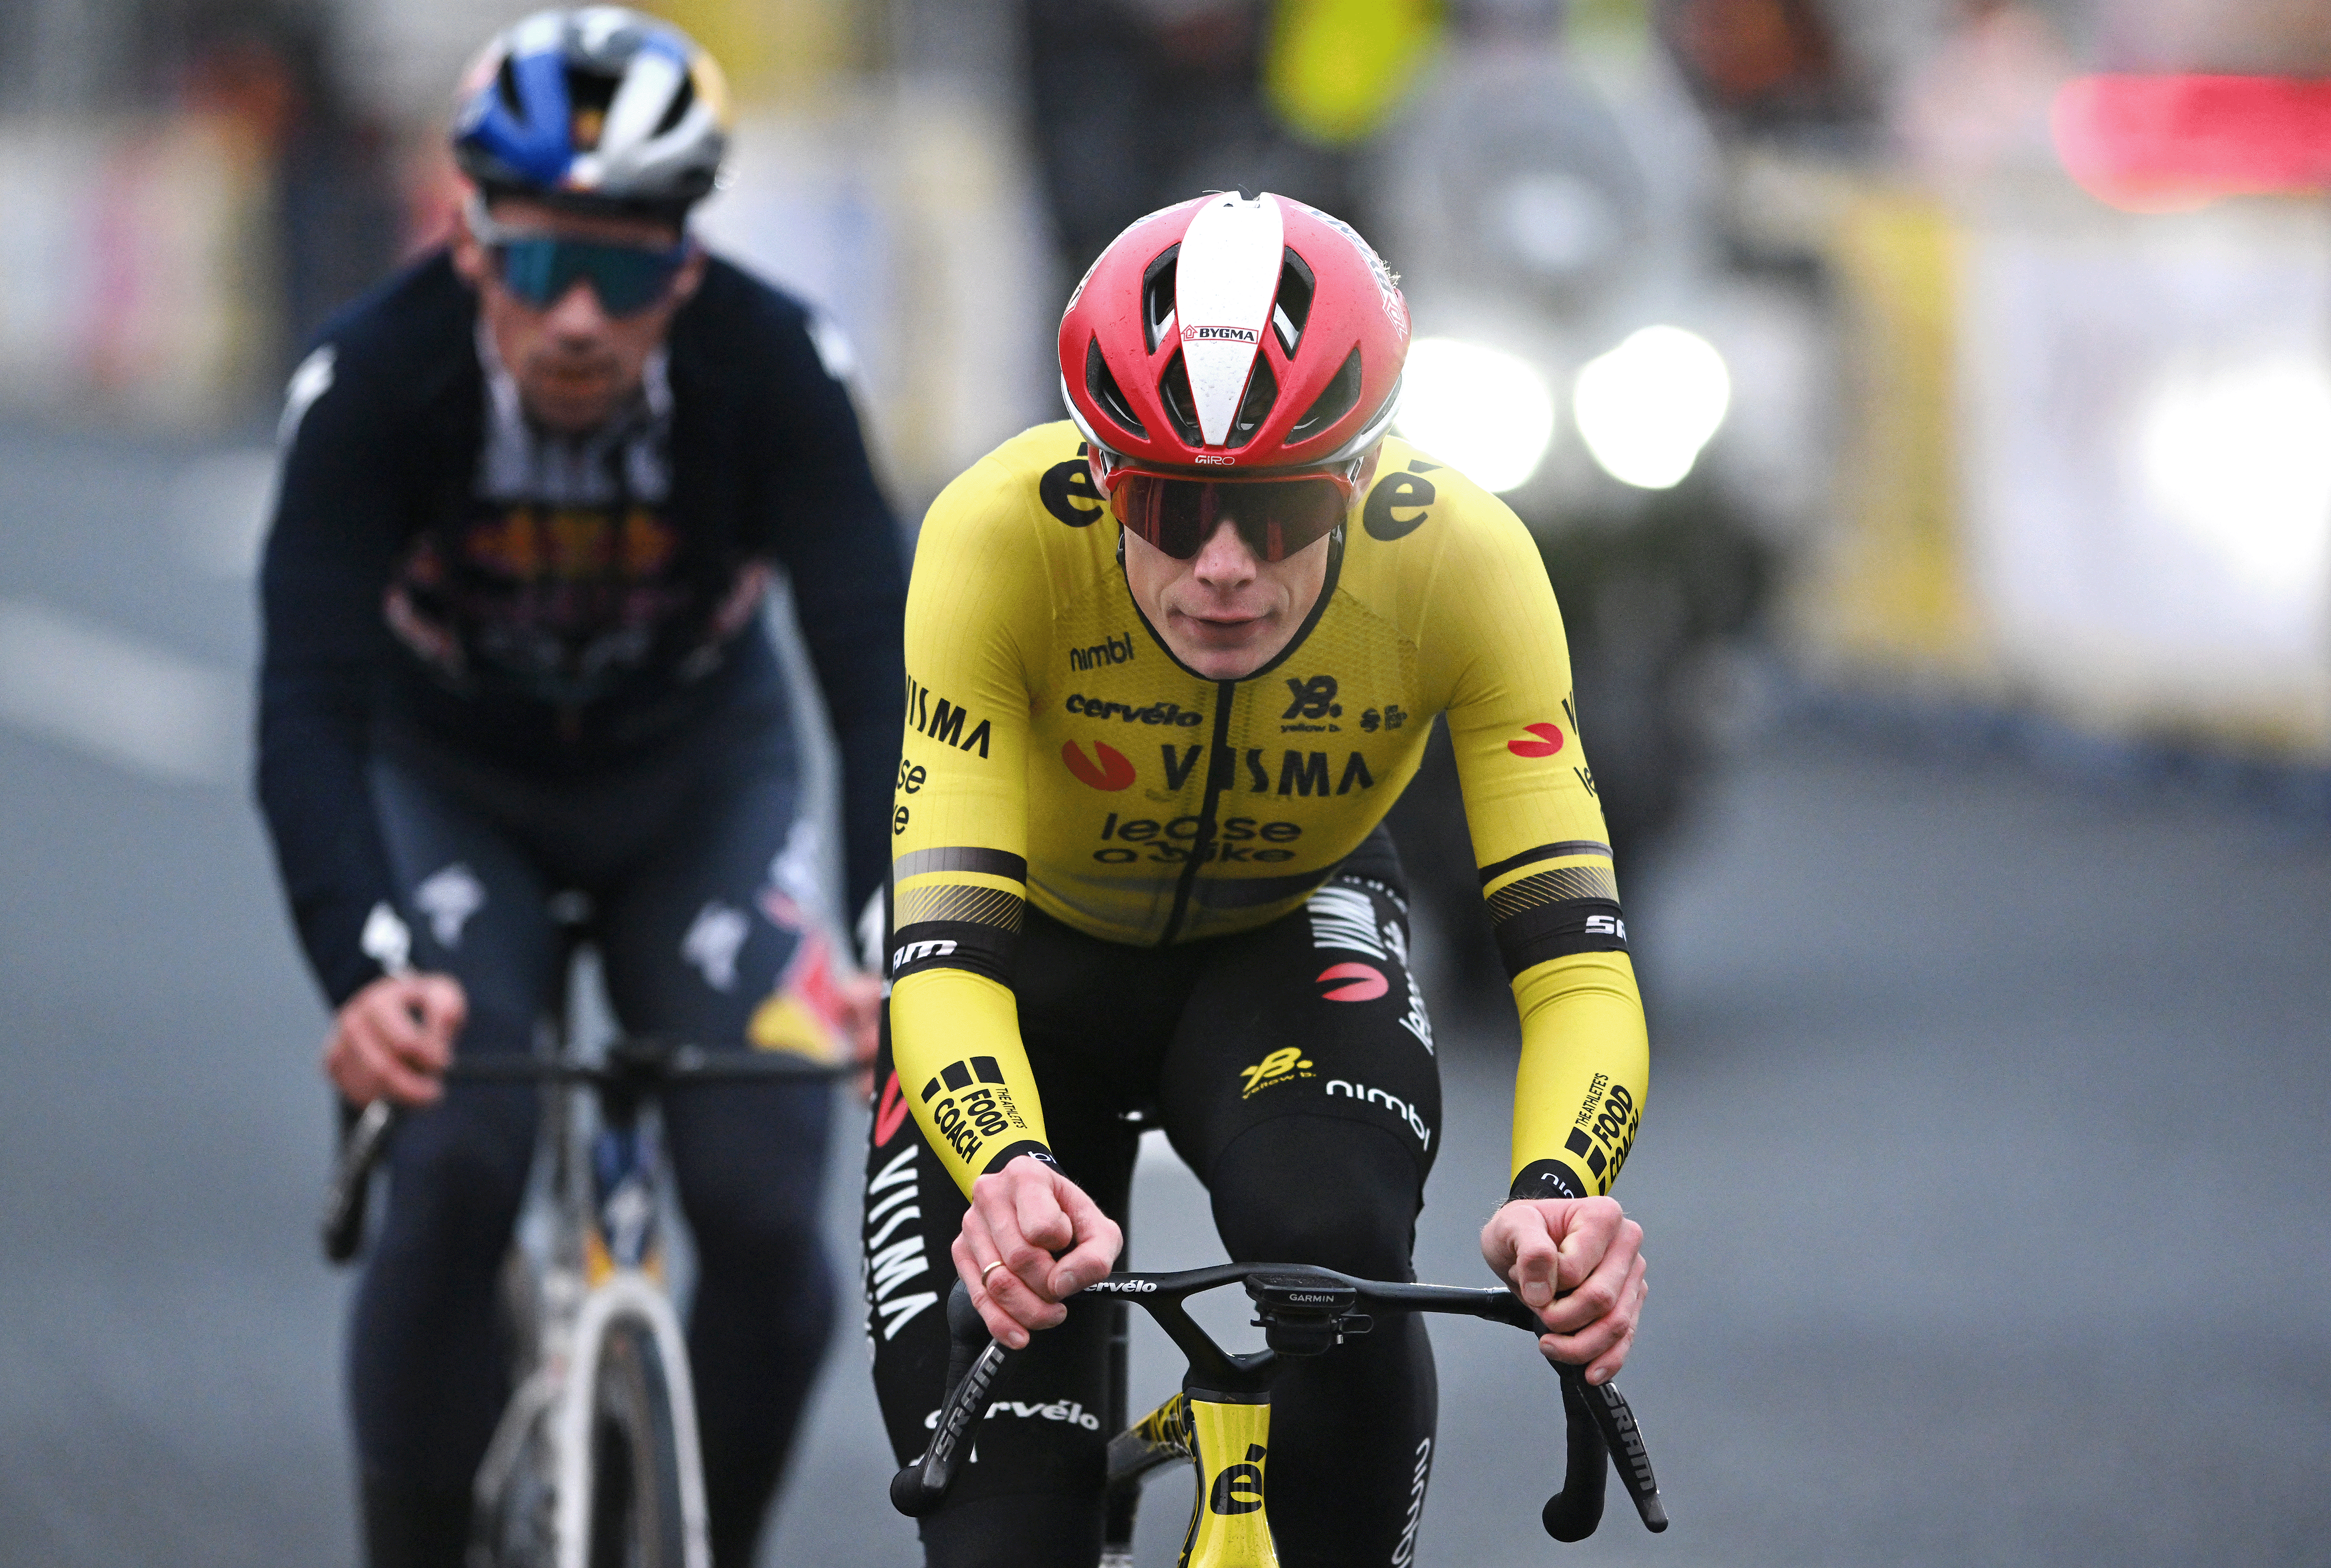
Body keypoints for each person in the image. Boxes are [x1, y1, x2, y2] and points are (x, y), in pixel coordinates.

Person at [862, 191, 1650, 1567]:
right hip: (1022, 980)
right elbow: (943, 960)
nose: (1223, 568)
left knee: (1332, 1237)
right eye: (1170, 507)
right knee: (1002, 1539)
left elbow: (1574, 962)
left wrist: (1561, 1187)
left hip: (1284, 942)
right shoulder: (993, 536)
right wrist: (1001, 1163)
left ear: (1353, 476)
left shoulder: (1463, 562)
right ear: (1104, 478)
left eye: (1279, 512)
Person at [254, 11, 906, 1565]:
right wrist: (358, 967)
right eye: (545, 268)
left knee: (760, 1195)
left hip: (696, 782)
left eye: (626, 273)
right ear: (473, 248)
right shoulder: (372, 381)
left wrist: (896, 931)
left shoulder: (777, 368)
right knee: (460, 1154)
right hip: (449, 783)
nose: (579, 324)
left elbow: (882, 676)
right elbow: (305, 707)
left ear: (684, 271)